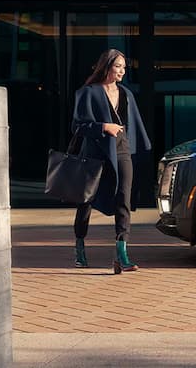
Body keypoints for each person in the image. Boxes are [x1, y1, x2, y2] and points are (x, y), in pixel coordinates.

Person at [71, 48, 152, 274]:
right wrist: (103, 127)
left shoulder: (126, 93)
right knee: (85, 201)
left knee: (123, 200)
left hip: (122, 150)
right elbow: (77, 127)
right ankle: (79, 247)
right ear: (106, 67)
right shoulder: (88, 92)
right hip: (95, 153)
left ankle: (122, 253)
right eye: (118, 66)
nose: (122, 71)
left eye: (124, 67)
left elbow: (134, 126)